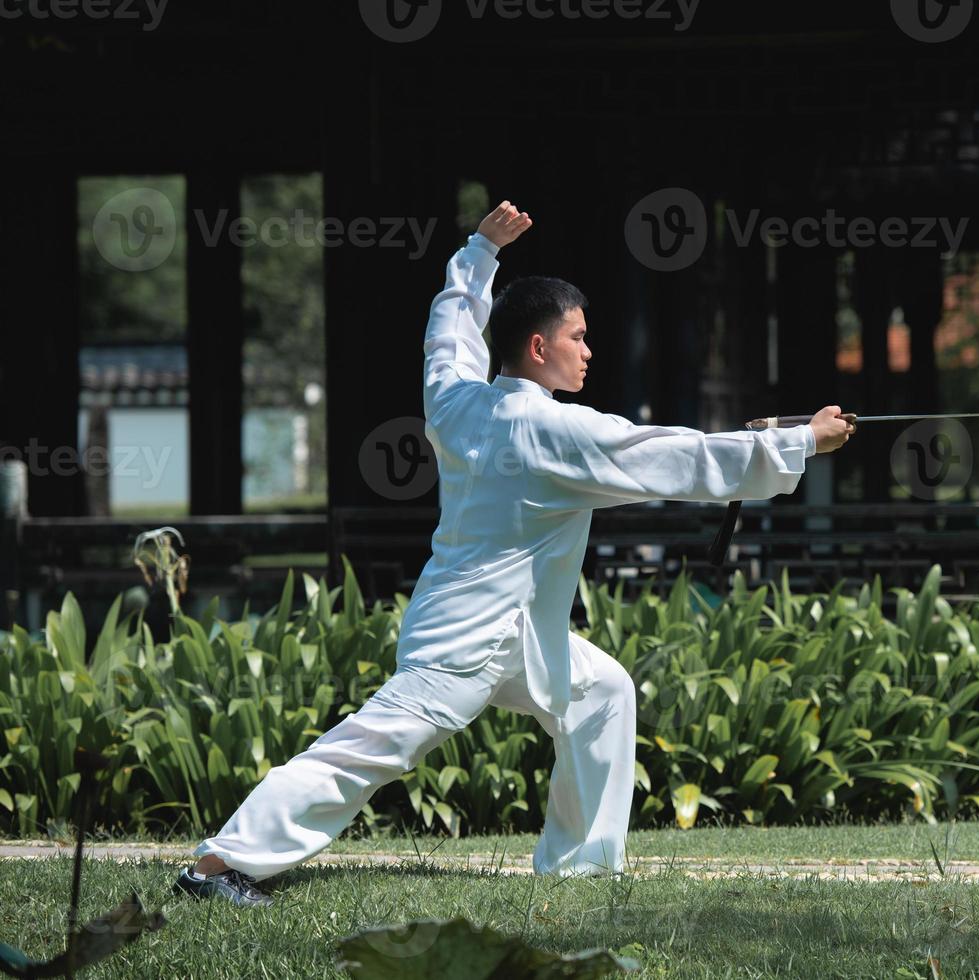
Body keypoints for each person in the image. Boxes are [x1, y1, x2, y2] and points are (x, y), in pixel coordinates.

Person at [173, 200, 856, 906]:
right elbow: (673, 456)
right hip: (465, 641)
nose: (589, 352)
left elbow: (448, 336)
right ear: (538, 348)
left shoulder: (458, 402)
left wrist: (478, 254)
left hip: (521, 637)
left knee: (603, 693)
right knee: (371, 749)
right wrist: (802, 440)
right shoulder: (553, 432)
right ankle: (218, 867)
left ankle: (580, 872)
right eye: (579, 338)